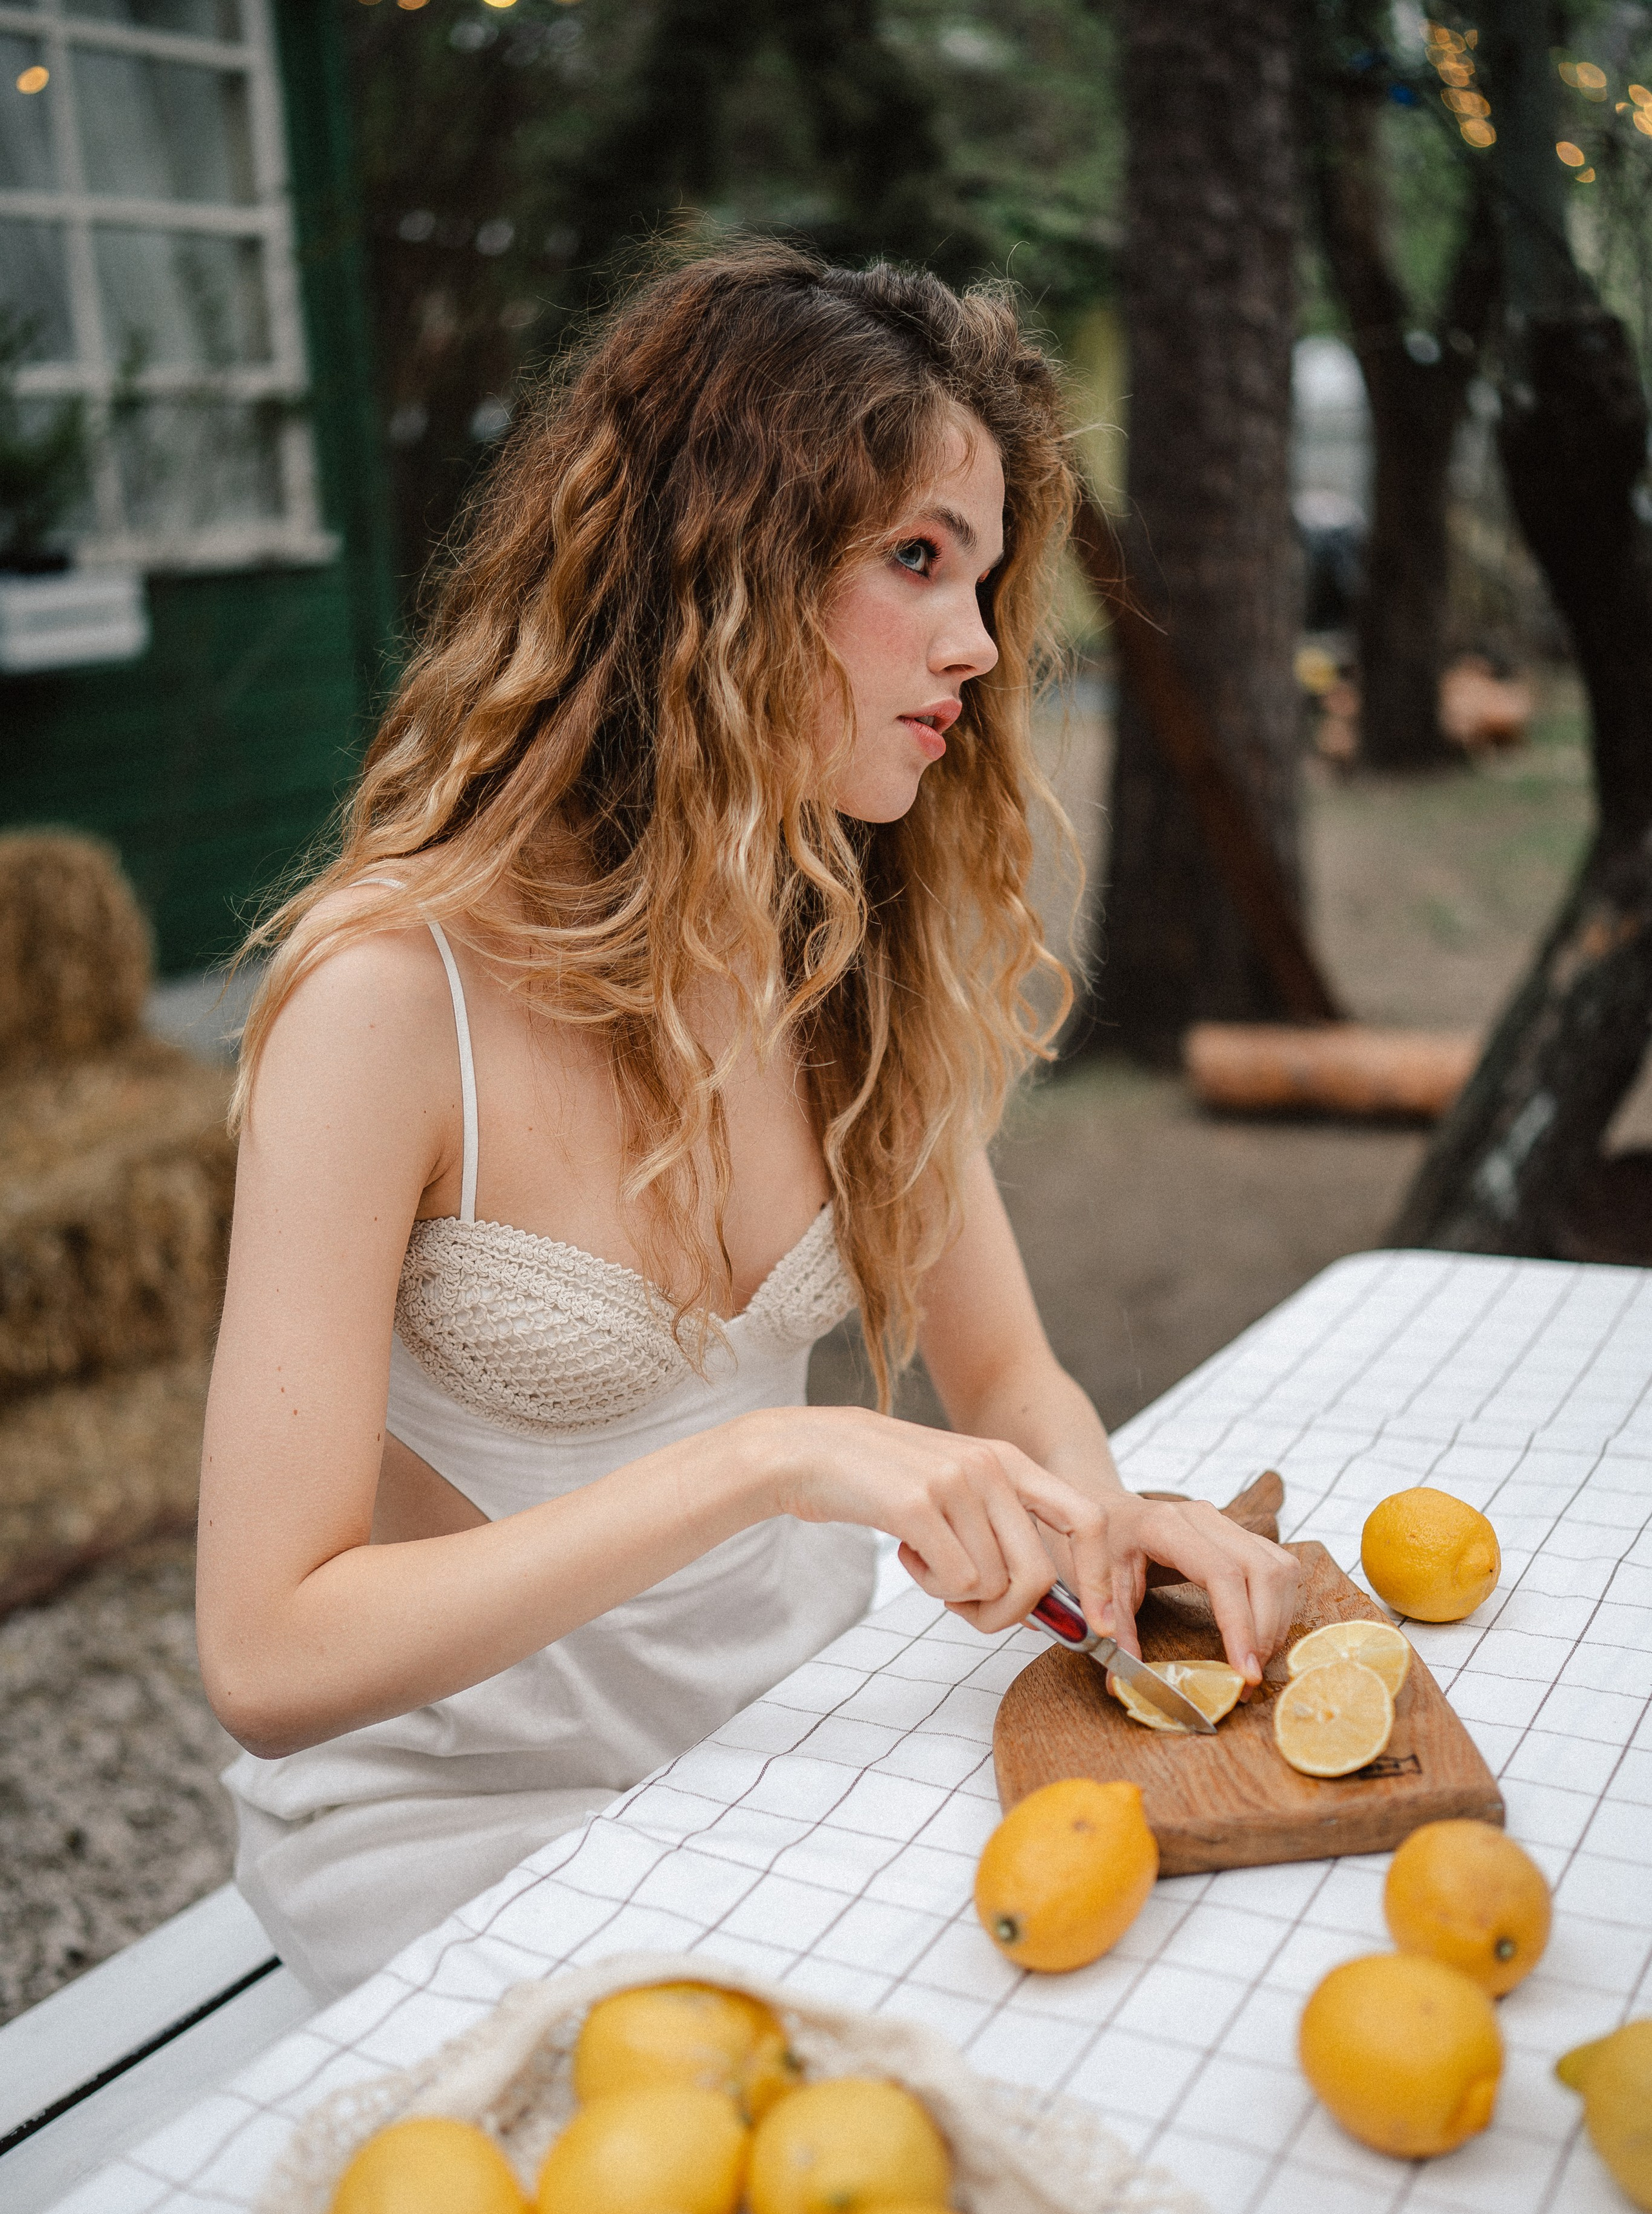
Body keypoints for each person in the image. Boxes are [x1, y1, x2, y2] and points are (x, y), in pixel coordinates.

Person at [197, 244, 1300, 1999]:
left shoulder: (848, 956)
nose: (979, 641)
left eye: (990, 577)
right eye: (916, 559)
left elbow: (1011, 1386)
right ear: (717, 564)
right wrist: (771, 1462)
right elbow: (267, 1648)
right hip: (457, 1829)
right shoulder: (390, 1002)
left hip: (789, 1761)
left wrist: (1105, 1533)